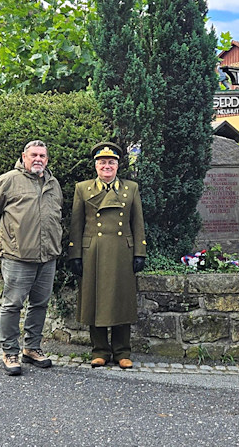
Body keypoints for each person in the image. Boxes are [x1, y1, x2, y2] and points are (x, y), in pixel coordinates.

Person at [0, 140, 63, 376]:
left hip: (47, 255)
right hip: (17, 255)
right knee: (13, 305)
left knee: (39, 304)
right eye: (34, 155)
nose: (38, 159)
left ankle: (31, 348)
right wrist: (12, 237)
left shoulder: (53, 183)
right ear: (24, 157)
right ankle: (9, 351)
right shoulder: (8, 180)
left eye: (43, 155)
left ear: (47, 160)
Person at [68, 142, 147, 369]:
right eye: (102, 162)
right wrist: (75, 254)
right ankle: (99, 350)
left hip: (123, 249)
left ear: (118, 165)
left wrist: (139, 251)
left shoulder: (130, 188)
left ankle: (123, 351)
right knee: (95, 300)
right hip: (93, 250)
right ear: (95, 166)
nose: (106, 166)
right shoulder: (83, 188)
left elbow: (137, 222)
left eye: (111, 162)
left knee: (121, 300)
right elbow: (76, 223)